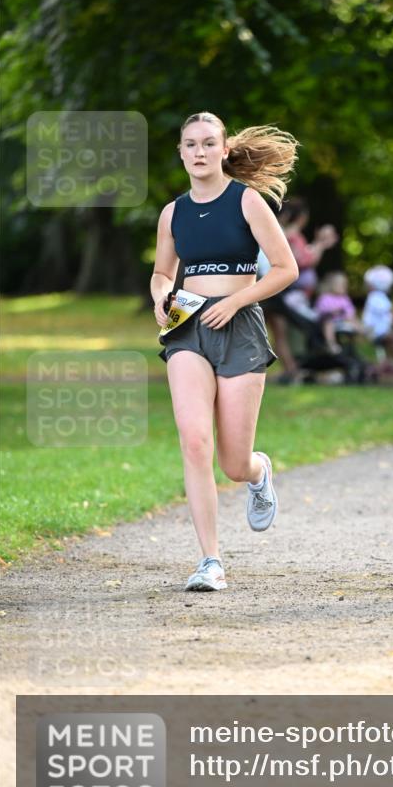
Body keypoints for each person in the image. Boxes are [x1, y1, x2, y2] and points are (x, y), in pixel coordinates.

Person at [152, 112, 299, 592]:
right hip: (187, 326)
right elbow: (161, 272)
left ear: (224, 151)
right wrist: (161, 298)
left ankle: (258, 473)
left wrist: (236, 301)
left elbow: (284, 269)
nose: (198, 151)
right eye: (190, 144)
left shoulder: (248, 201)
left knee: (232, 462)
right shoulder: (172, 213)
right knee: (195, 442)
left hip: (239, 324)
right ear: (180, 152)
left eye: (208, 143)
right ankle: (209, 560)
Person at [264, 198, 339, 382]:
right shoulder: (290, 235)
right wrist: (321, 245)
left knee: (278, 331)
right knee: (280, 329)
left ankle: (292, 369)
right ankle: (293, 369)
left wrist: (318, 244)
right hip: (283, 292)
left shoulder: (291, 235)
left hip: (284, 292)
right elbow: (301, 261)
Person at [362, 265, 393, 360]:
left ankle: (390, 361)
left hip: (378, 331)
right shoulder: (376, 296)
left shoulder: (376, 296)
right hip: (375, 332)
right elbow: (389, 310)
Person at [314, 271, 359, 353]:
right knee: (328, 324)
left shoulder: (344, 298)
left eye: (345, 285)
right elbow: (321, 310)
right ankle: (331, 344)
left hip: (342, 320)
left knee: (352, 319)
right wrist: (332, 311)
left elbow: (350, 310)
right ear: (332, 285)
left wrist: (349, 315)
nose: (344, 287)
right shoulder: (325, 298)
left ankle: (362, 331)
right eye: (341, 285)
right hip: (329, 320)